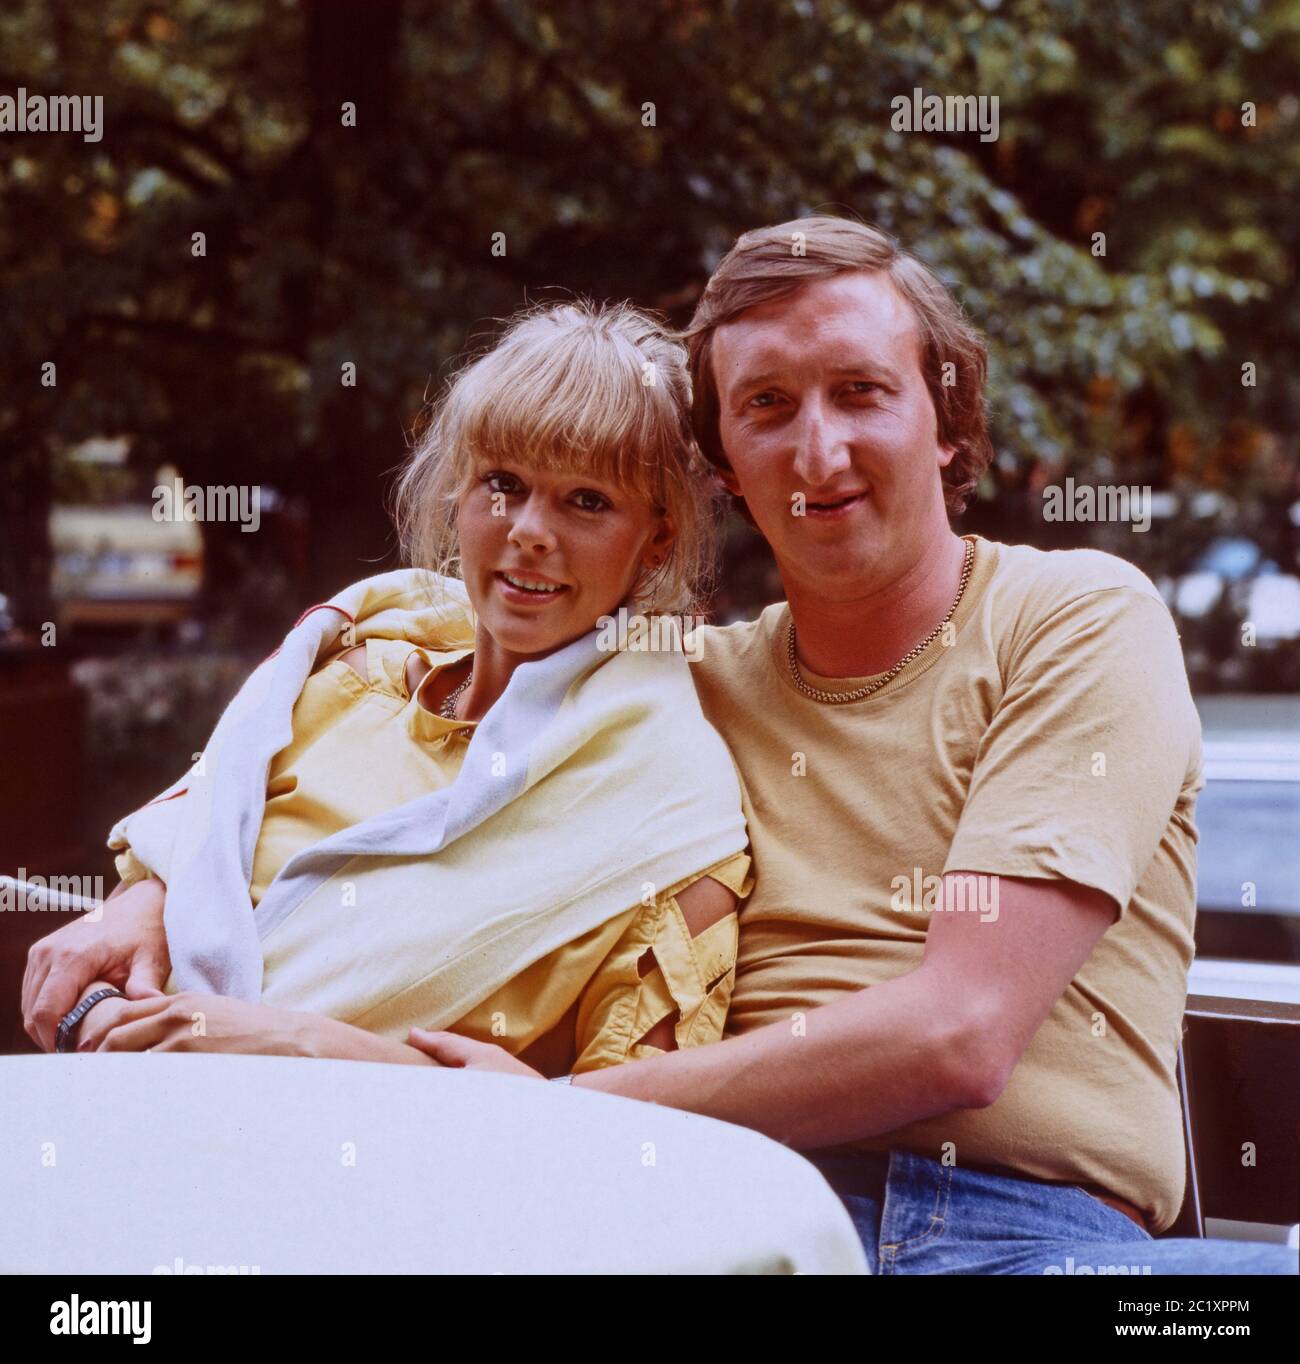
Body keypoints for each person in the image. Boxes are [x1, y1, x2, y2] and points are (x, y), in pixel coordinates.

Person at [408, 217, 1295, 1275]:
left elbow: (960, 1032)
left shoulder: (1076, 617)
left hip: (1032, 1242)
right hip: (732, 1219)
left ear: (948, 423)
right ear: (724, 465)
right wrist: (159, 862)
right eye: (766, 407)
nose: (817, 451)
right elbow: (378, 675)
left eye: (861, 392)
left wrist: (565, 1112)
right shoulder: (670, 683)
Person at [22, 299, 752, 1076]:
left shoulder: (672, 812)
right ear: (458, 491)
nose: (531, 531)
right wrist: (138, 907)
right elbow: (191, 864)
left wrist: (302, 1047)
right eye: (504, 483)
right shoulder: (349, 672)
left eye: (588, 500)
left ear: (659, 535)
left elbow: (630, 1135)